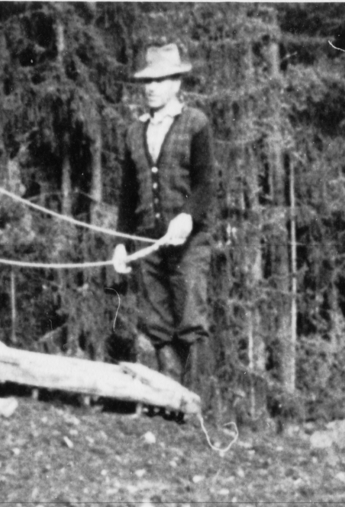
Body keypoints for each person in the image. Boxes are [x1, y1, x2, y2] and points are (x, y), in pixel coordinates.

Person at [112, 41, 215, 397]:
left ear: (177, 83)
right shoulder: (133, 132)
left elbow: (205, 185)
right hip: (147, 242)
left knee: (190, 317)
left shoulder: (196, 124)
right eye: (147, 81)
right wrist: (121, 243)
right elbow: (128, 195)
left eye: (159, 80)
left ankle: (195, 405)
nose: (151, 88)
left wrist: (187, 217)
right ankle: (170, 404)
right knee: (156, 322)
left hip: (190, 242)